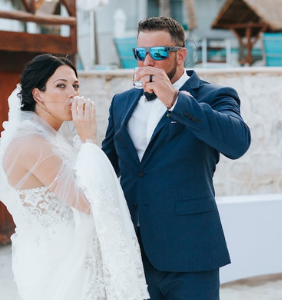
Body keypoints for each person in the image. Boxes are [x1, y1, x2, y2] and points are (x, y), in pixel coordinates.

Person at [102, 17, 251, 299]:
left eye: (157, 53)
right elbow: (108, 166)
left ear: (180, 55)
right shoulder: (120, 102)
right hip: (133, 253)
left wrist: (174, 100)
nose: (147, 61)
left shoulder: (213, 96)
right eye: (140, 53)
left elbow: (238, 143)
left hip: (191, 252)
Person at [0, 54, 149, 299]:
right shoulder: (31, 142)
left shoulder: (48, 138)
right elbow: (87, 202)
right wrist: (88, 139)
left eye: (75, 85)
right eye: (61, 86)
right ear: (38, 95)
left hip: (70, 258)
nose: (73, 94)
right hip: (62, 266)